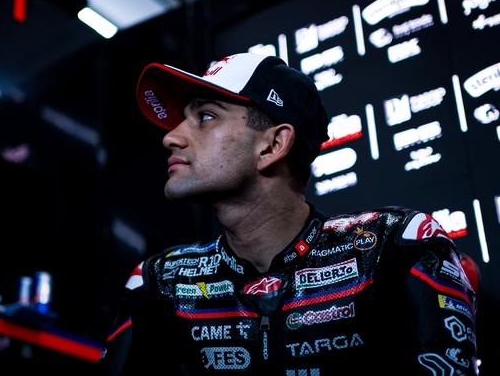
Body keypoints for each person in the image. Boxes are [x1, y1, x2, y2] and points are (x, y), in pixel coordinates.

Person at [102, 53, 478, 375]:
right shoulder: (161, 281)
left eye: (205, 116)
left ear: (273, 145)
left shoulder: (396, 247)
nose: (171, 136)